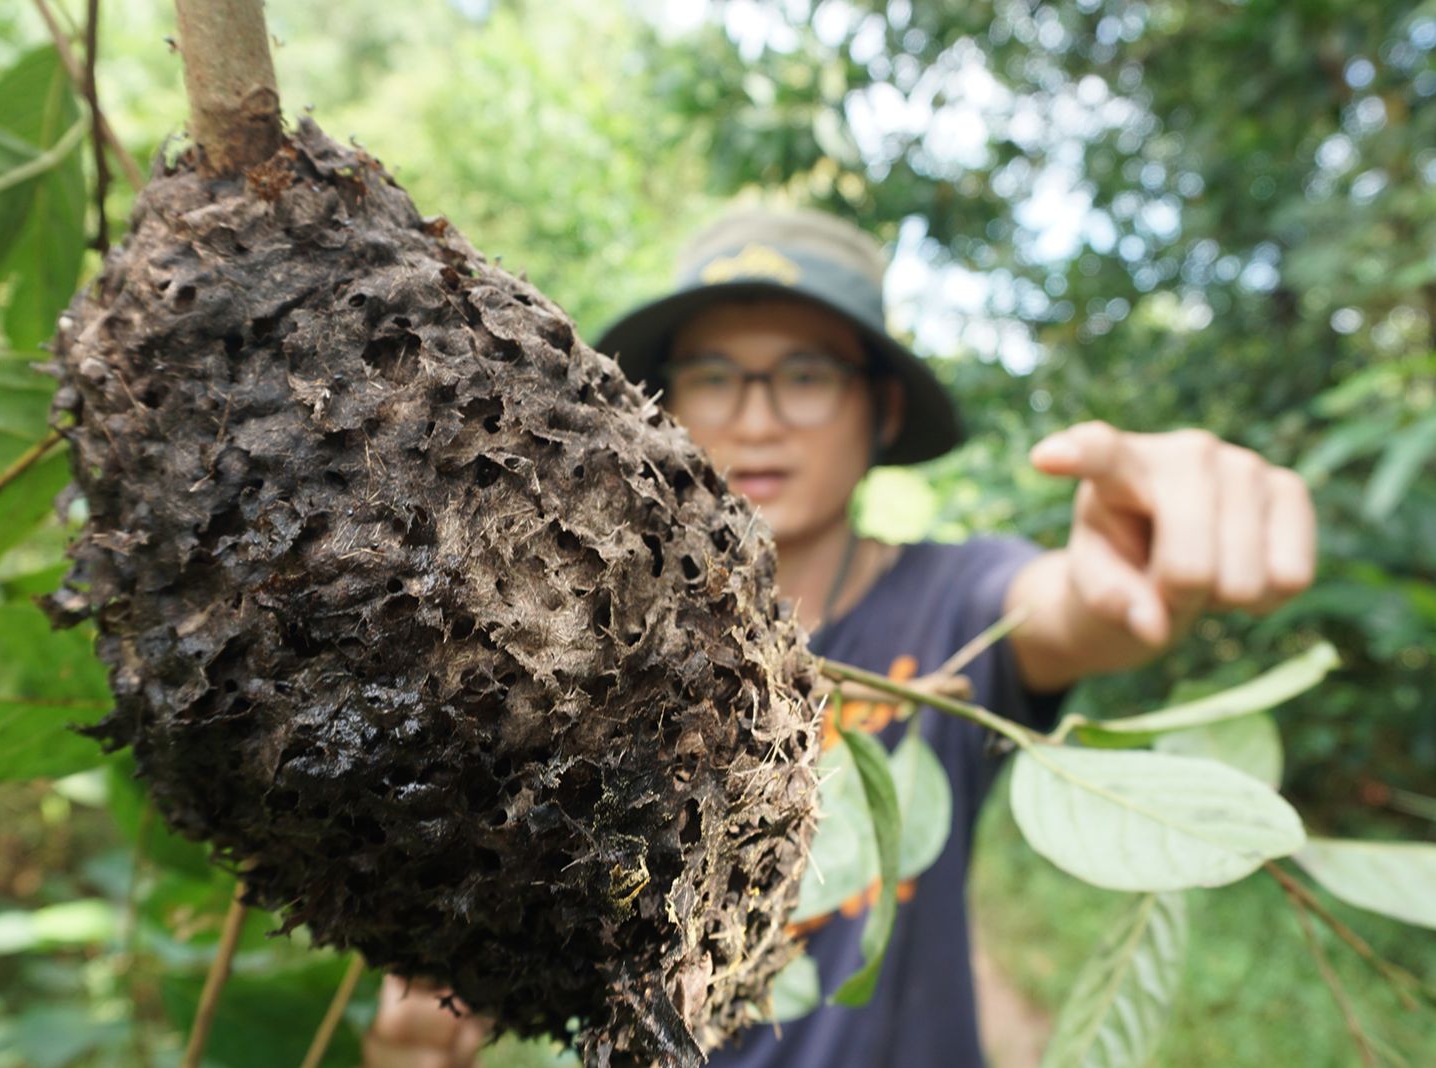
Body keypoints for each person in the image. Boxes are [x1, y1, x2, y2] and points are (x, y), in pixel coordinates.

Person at [363, 206, 1317, 1067]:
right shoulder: (603, 646)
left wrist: (1139, 559)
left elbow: (1064, 606)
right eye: (715, 374)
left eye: (807, 374)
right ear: (665, 407)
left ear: (882, 408)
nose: (757, 417)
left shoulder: (953, 601)